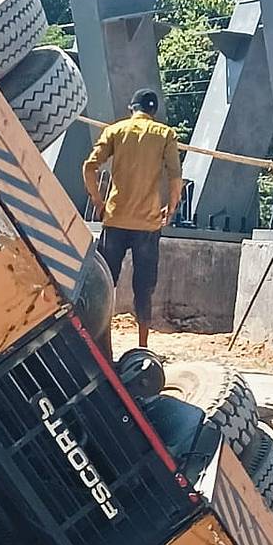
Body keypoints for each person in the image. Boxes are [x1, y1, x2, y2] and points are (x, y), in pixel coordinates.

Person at [83, 88, 183, 350]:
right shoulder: (165, 135)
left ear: (132, 108)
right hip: (148, 225)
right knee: (144, 289)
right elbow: (175, 176)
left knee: (105, 284)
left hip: (115, 220)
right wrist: (170, 208)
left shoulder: (115, 131)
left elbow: (89, 166)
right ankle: (142, 346)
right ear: (153, 112)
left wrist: (98, 201)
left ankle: (101, 345)